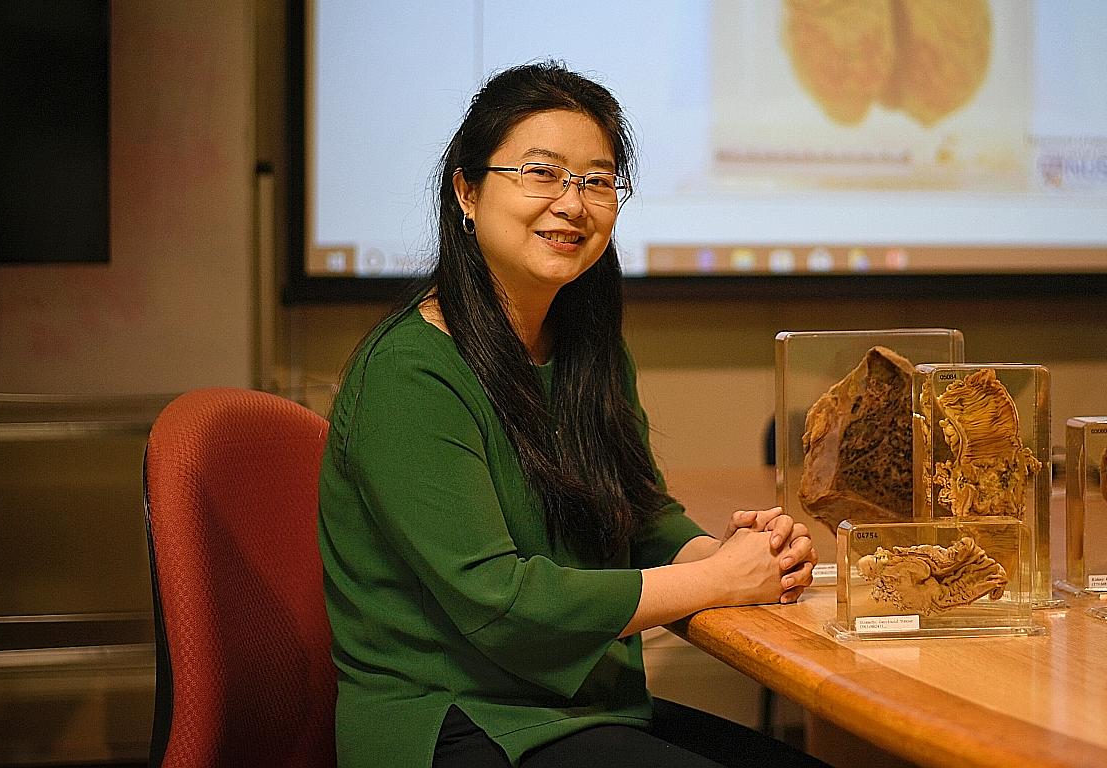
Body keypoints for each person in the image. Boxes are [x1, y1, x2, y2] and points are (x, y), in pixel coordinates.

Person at [319, 62, 824, 768]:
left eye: (596, 180)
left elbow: (640, 518)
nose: (572, 203)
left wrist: (740, 557)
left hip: (581, 708)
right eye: (541, 173)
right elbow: (499, 603)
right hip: (453, 721)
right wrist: (718, 582)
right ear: (467, 191)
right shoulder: (410, 370)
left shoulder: (588, 349)